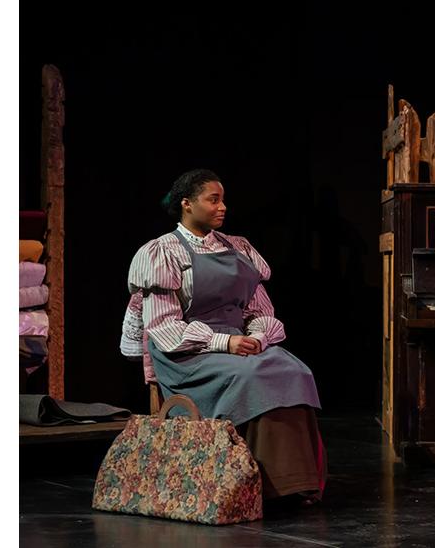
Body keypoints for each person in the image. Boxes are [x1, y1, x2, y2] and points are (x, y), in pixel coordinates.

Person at [123, 168, 327, 504]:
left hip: (237, 345)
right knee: (253, 375)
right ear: (187, 204)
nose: (222, 207)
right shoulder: (163, 252)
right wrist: (223, 343)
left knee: (294, 371)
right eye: (213, 200)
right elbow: (164, 328)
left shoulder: (238, 248)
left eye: (223, 200)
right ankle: (259, 483)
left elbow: (259, 310)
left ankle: (294, 482)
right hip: (188, 355)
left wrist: (258, 337)